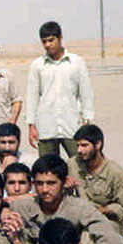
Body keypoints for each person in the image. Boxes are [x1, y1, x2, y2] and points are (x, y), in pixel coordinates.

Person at [4, 155, 123, 244]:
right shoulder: (22, 206)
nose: (45, 189)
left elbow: (111, 238)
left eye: (51, 183)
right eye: (39, 183)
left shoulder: (78, 207)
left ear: (64, 182)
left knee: (91, 236)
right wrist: (4, 211)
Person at [26, 21, 95, 158]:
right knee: (48, 168)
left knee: (80, 164)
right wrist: (31, 125)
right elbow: (32, 96)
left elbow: (86, 93)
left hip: (72, 126)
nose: (47, 45)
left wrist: (87, 120)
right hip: (46, 127)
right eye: (44, 42)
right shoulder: (37, 65)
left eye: (51, 40)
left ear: (60, 37)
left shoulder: (76, 62)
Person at [68, 124, 123, 236]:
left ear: (98, 145)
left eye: (84, 145)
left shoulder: (117, 174)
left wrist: (102, 211)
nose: (79, 150)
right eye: (77, 145)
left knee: (89, 236)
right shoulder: (72, 164)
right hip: (78, 217)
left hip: (106, 220)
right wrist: (65, 189)